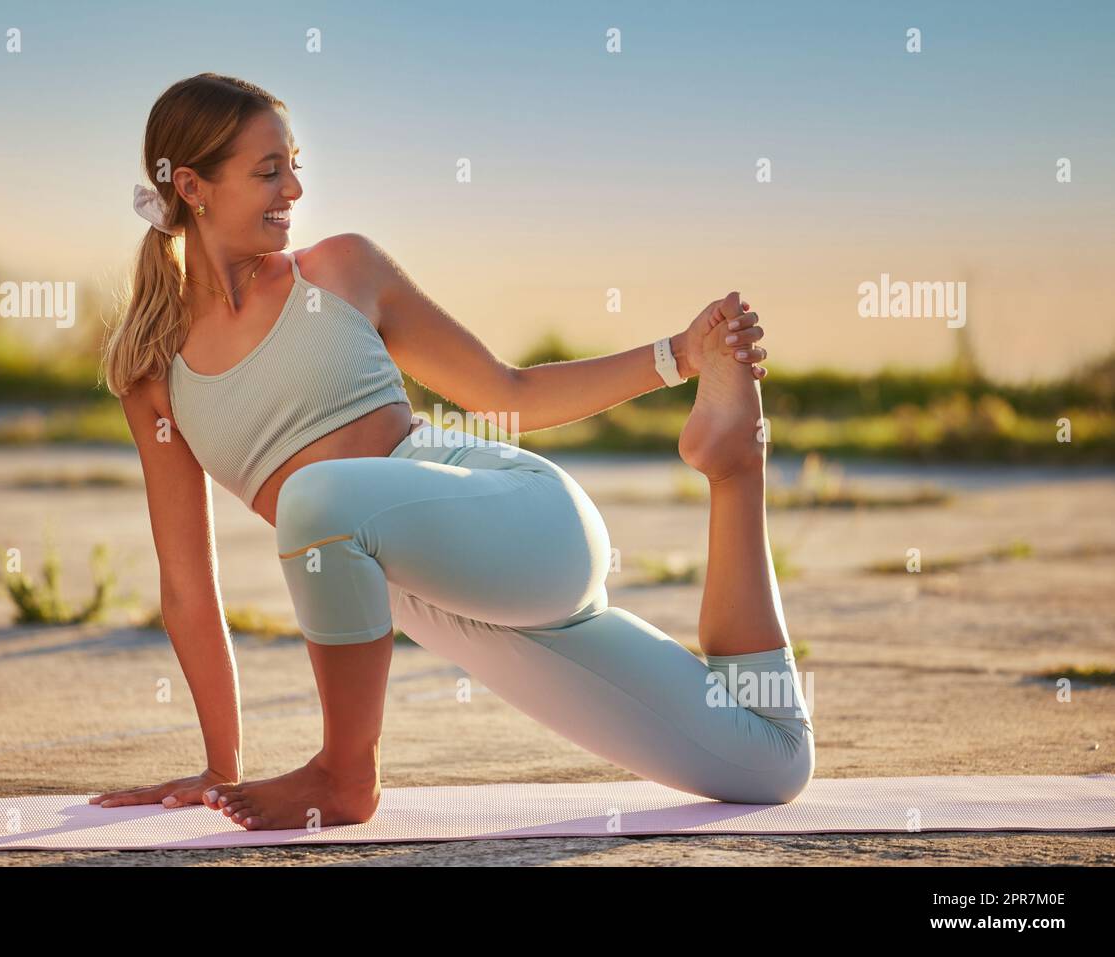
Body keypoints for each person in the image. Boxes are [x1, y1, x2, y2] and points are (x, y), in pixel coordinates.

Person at [92, 73, 813, 830]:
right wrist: (220, 764)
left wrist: (678, 356)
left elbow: (512, 393)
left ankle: (345, 774)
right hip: (439, 598)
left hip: (518, 518)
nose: (296, 187)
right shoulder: (153, 371)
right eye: (270, 169)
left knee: (312, 497)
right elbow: (187, 582)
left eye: (295, 162)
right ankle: (736, 469)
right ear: (194, 187)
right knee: (770, 763)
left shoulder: (339, 271)